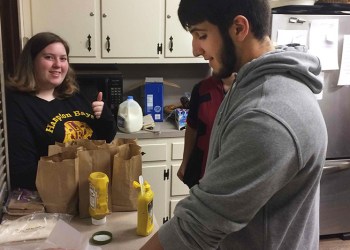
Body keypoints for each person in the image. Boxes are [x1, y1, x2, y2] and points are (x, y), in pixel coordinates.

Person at [141, 0, 327, 249]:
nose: (196, 49)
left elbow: (196, 228)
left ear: (239, 28)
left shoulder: (267, 116)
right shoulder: (249, 82)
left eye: (202, 35)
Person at [6, 32, 117, 190]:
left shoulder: (73, 95)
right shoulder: (19, 105)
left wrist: (104, 116)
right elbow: (23, 170)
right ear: (31, 62)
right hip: (55, 196)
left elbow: (104, 139)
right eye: (49, 57)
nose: (58, 64)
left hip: (91, 188)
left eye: (63, 58)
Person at [177, 73, 236, 188]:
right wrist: (185, 162)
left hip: (232, 171)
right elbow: (192, 127)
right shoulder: (201, 89)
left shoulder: (248, 89)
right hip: (202, 167)